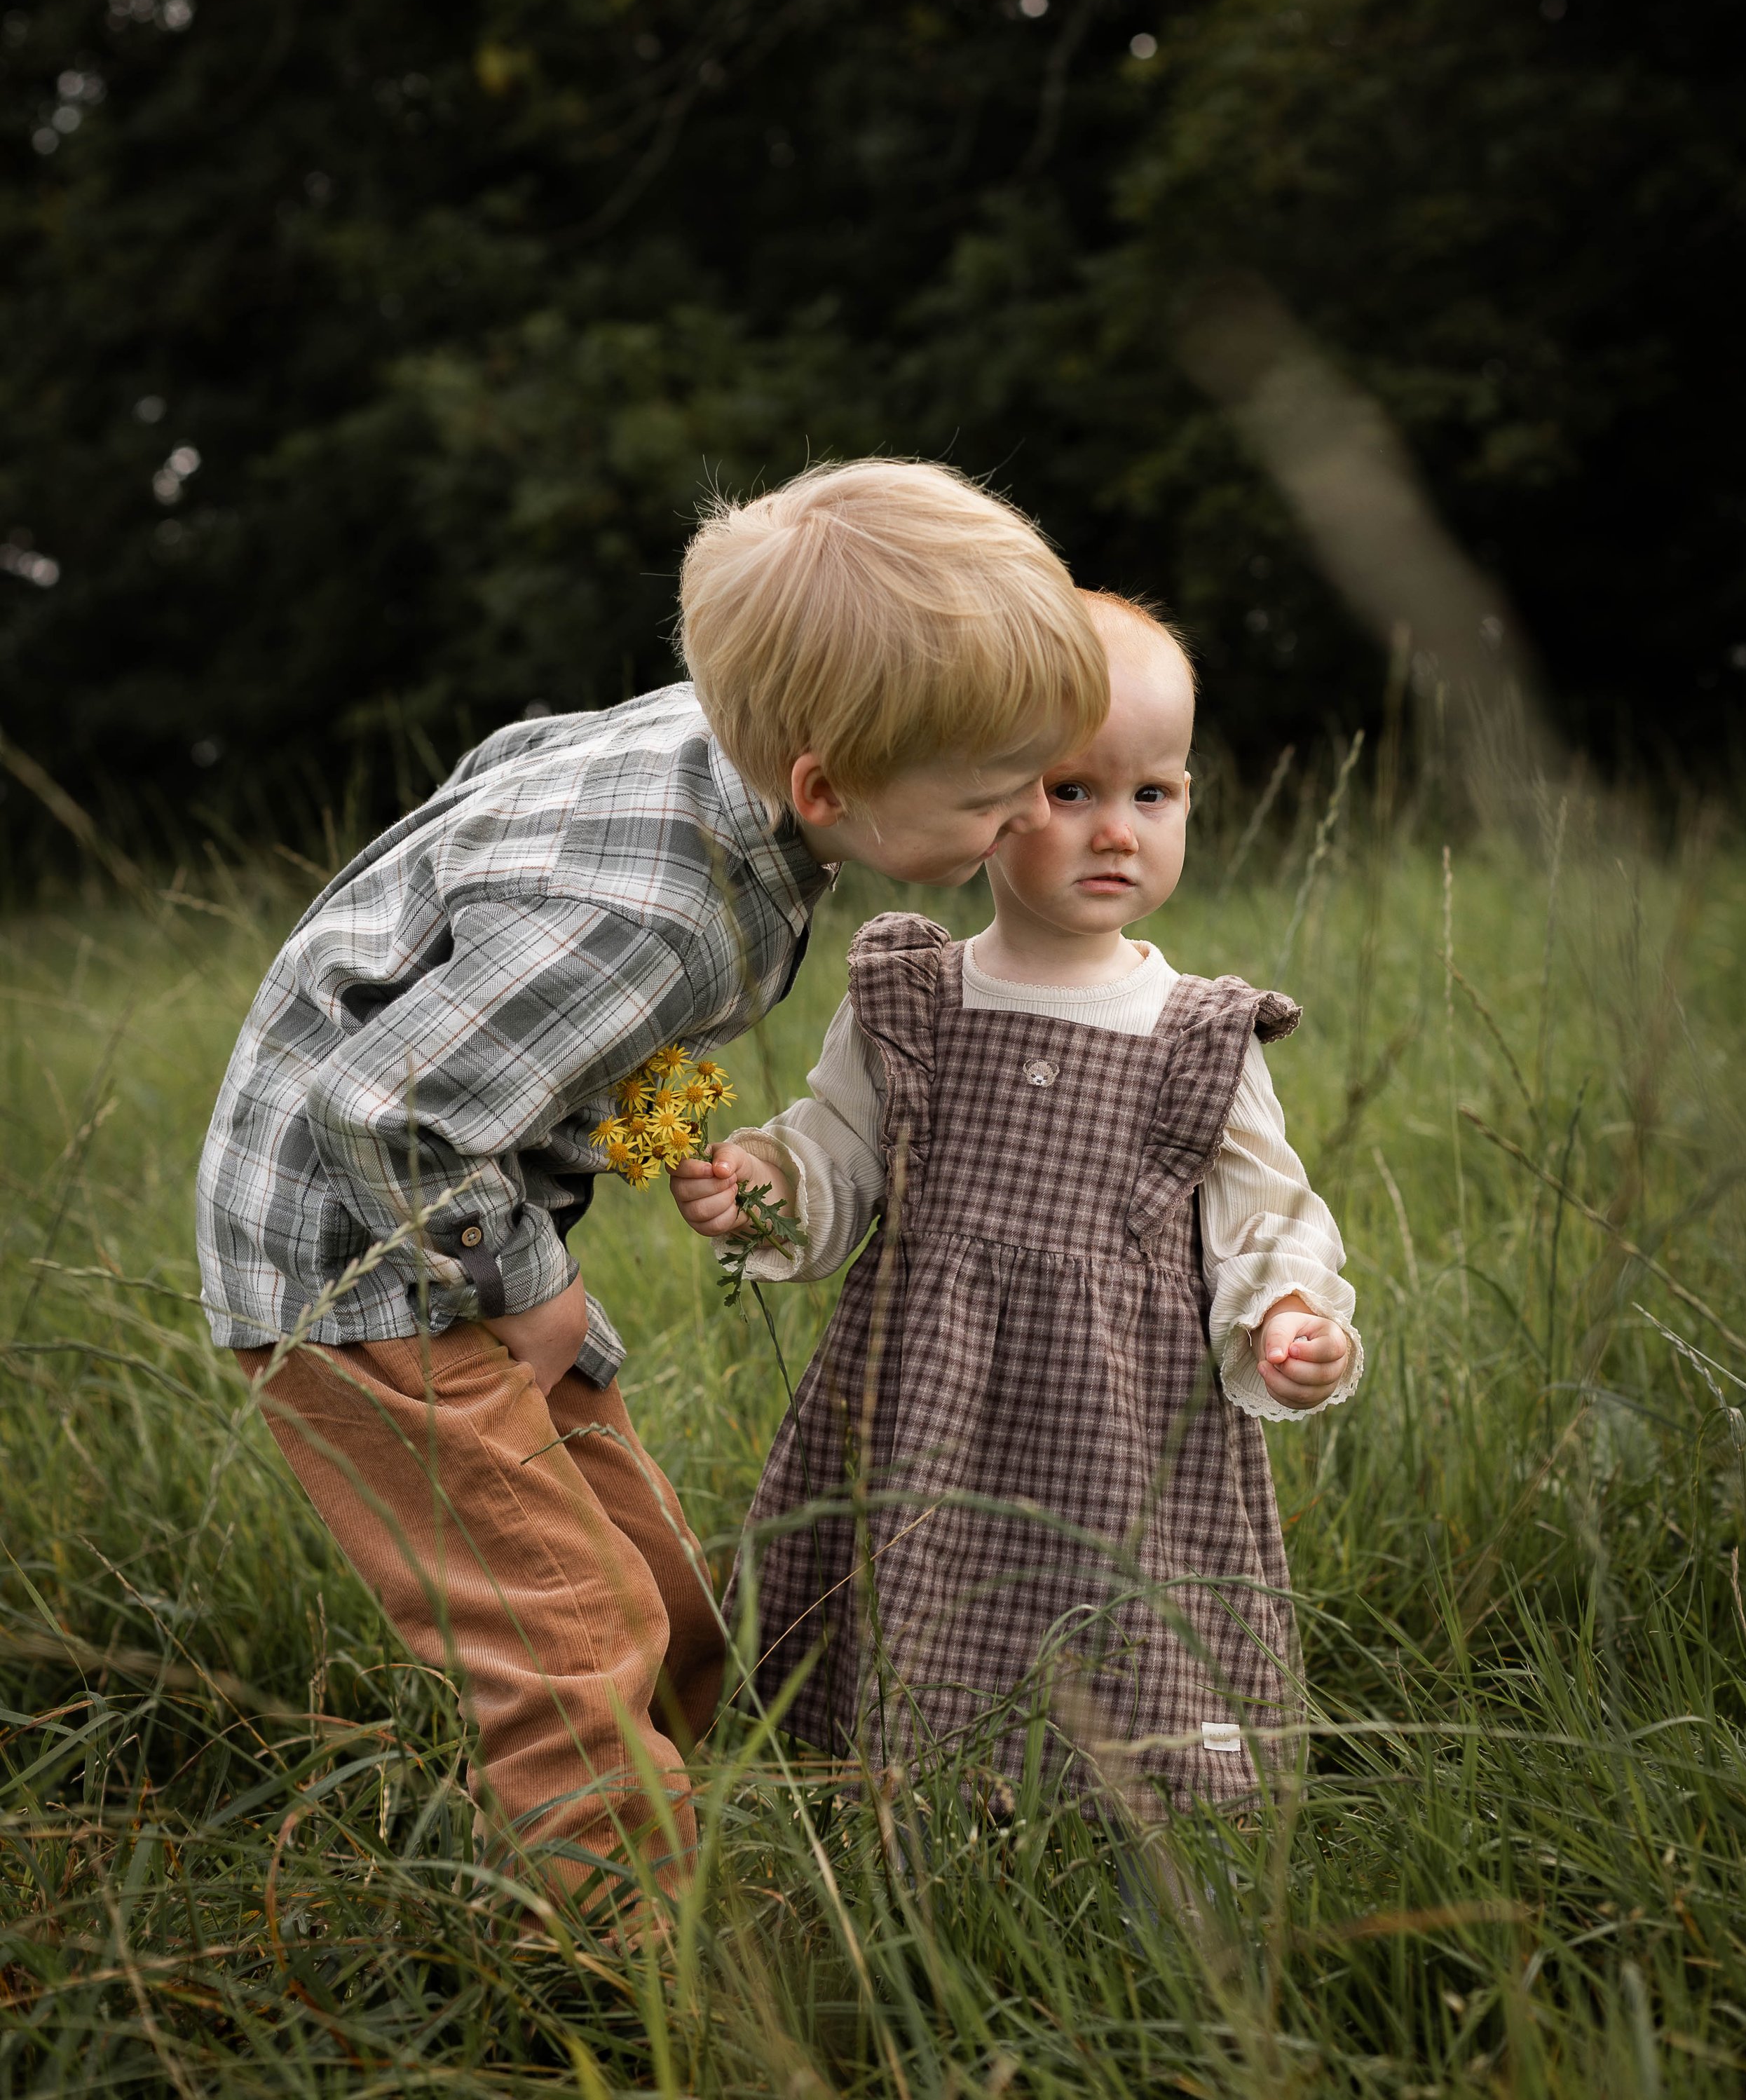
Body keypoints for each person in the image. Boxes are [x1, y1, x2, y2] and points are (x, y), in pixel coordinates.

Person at [196, 461, 1110, 1916]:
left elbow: (495, 807)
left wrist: (602, 1092)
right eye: (994, 800)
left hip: (453, 1208)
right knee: (570, 1630)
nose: (1024, 826)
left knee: (668, 1594)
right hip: (356, 1258)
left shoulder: (726, 750)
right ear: (826, 785)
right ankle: (637, 1969)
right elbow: (383, 1103)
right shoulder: (650, 909)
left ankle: (656, 1848)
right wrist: (528, 1284)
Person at [671, 594, 1362, 1808]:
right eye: (1069, 791)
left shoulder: (1200, 1033)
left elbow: (1265, 1208)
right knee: (920, 1596)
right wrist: (768, 1186)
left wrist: (1292, 1310)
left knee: (1125, 1602)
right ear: (985, 802)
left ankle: (1130, 1813)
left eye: (1153, 795)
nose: (1115, 832)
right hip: (925, 1393)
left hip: (1129, 1415)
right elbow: (839, 1145)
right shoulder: (916, 998)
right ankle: (911, 1805)